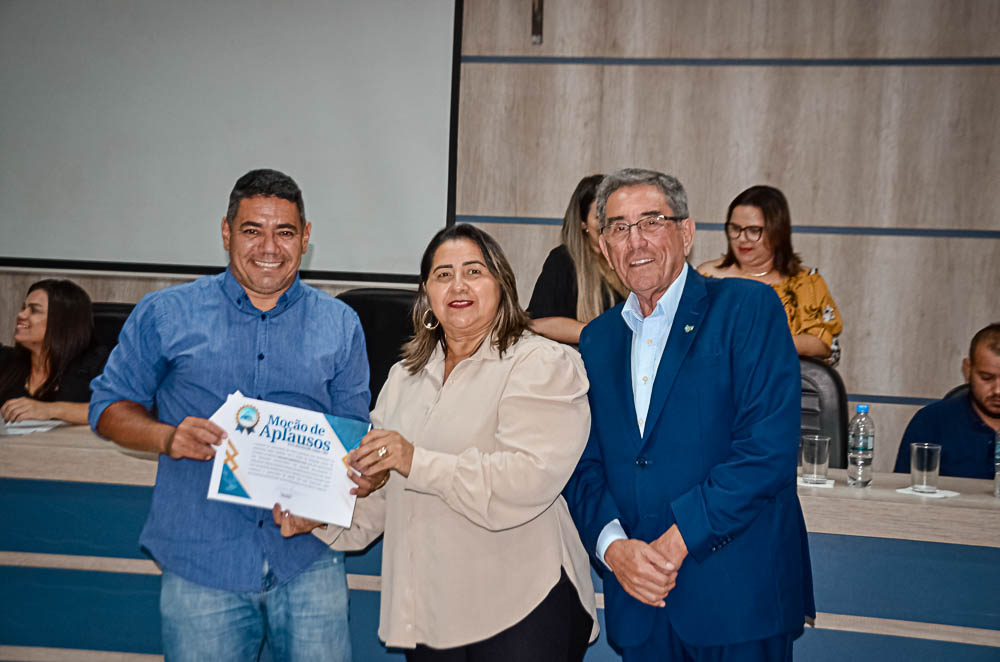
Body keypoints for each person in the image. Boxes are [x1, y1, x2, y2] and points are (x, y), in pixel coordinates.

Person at [279, 224, 597, 661]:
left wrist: (414, 459)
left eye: (474, 271)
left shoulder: (542, 363)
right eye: (442, 275)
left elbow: (527, 480)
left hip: (522, 606)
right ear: (426, 293)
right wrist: (321, 515)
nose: (458, 284)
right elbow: (384, 491)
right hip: (431, 610)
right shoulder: (404, 377)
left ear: (502, 284)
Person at [89, 169, 371, 661]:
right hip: (202, 561)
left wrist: (345, 488)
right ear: (225, 231)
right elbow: (108, 408)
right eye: (252, 230)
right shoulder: (166, 313)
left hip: (306, 560)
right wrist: (167, 436)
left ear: (305, 238)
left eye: (284, 232)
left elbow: (353, 444)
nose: (269, 246)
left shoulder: (340, 324)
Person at [564, 169, 814, 661]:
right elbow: (582, 463)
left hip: (738, 599)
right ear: (602, 246)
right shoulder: (597, 340)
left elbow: (768, 452)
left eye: (651, 221)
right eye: (617, 227)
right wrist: (614, 549)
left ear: (686, 232)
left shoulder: (748, 309)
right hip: (640, 599)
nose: (634, 240)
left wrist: (675, 543)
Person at [697, 185, 842, 364]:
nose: (742, 238)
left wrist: (762, 344)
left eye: (753, 230)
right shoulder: (707, 278)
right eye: (735, 228)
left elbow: (824, 344)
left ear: (777, 232)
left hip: (782, 387)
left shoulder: (805, 283)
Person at [527, 174, 628, 344]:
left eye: (614, 215)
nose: (608, 223)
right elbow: (537, 324)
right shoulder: (563, 260)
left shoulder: (634, 259)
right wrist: (599, 334)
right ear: (583, 222)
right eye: (599, 216)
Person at [893, 323, 1000, 479]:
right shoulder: (931, 422)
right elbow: (905, 493)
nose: (997, 390)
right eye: (986, 378)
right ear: (967, 369)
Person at [1, 279, 107, 425]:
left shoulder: (94, 364)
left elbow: (113, 411)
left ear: (63, 322)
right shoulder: (7, 361)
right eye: (23, 308)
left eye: (34, 310)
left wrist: (50, 410)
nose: (21, 315)